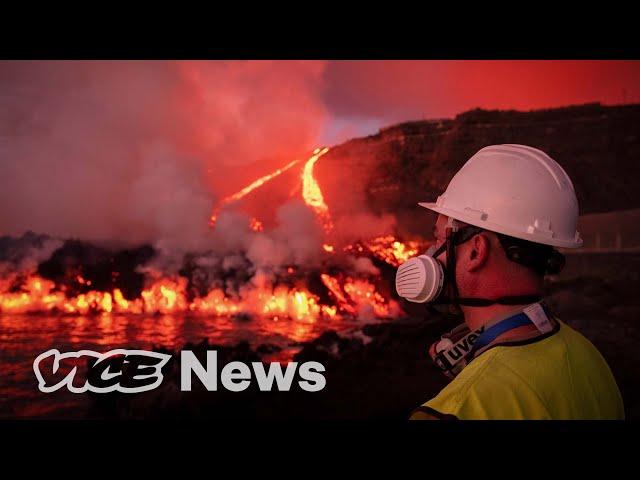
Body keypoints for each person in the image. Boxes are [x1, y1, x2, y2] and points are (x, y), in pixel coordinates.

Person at [395, 144, 624, 420]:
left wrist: (476, 381)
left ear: (476, 251)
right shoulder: (589, 358)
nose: (432, 254)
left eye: (440, 240)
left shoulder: (454, 411)